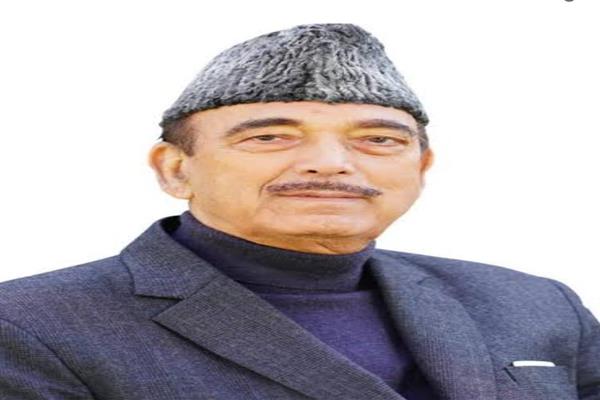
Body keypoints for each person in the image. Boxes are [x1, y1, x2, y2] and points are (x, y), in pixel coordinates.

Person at [0, 23, 598, 400]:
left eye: (378, 139)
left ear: (422, 165)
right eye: (269, 137)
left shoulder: (533, 304)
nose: (330, 164)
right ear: (175, 168)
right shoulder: (30, 326)